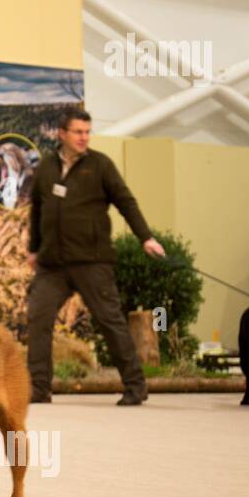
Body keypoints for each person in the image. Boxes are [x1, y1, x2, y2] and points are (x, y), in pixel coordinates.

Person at [26, 106, 166, 406]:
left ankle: (135, 386)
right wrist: (34, 249)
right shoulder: (47, 167)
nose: (83, 137)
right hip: (52, 264)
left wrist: (146, 238)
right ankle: (39, 388)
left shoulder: (100, 165)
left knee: (110, 322)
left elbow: (126, 202)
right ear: (62, 133)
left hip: (92, 260)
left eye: (87, 132)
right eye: (77, 132)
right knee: (38, 317)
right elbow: (37, 209)